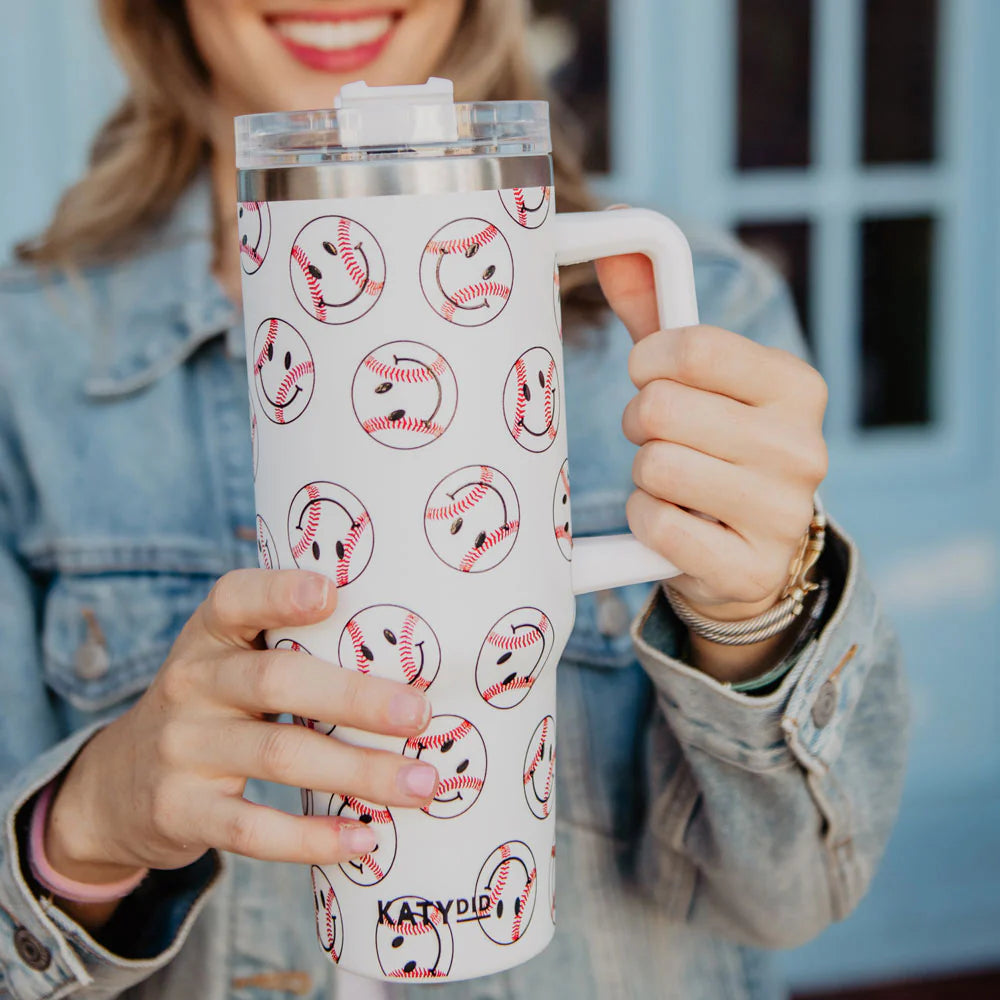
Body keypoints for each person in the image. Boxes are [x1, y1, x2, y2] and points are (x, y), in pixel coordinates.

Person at [0, 2, 908, 998]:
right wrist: (81, 833)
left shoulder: (695, 318)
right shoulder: (25, 362)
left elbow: (790, 900)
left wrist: (752, 618)